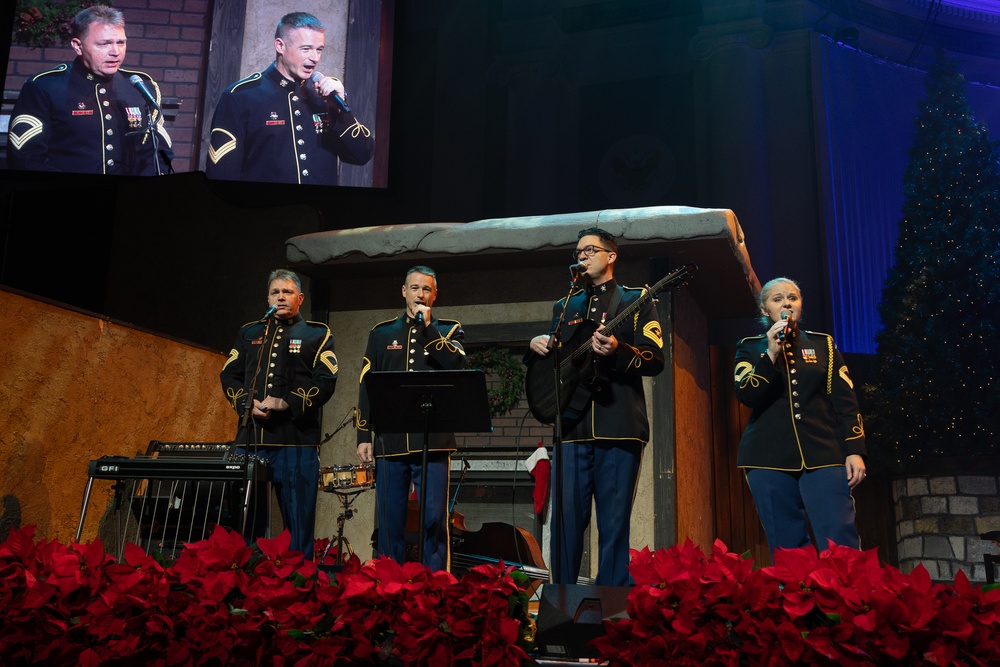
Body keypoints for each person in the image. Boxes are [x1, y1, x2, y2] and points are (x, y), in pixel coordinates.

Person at [528, 227, 665, 586]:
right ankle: (560, 606)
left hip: (618, 427)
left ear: (611, 256)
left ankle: (610, 612)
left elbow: (655, 358)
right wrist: (538, 346)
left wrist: (619, 350)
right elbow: (557, 367)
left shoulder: (636, 299)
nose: (582, 257)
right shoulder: (564, 306)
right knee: (565, 526)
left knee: (614, 525)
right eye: (578, 252)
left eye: (589, 250)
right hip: (570, 431)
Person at [734, 277, 867, 557]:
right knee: (786, 545)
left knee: (839, 537)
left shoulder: (823, 345)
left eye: (792, 298)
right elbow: (747, 395)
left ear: (800, 305)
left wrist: (855, 450)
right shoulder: (750, 347)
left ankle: (847, 598)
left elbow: (845, 402)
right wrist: (770, 353)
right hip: (766, 458)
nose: (786, 303)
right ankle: (796, 600)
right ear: (765, 310)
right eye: (778, 299)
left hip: (823, 453)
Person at [220, 269, 338, 556]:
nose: (281, 297)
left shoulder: (316, 334)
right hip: (252, 439)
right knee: (246, 526)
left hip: (295, 441)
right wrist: (247, 402)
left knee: (298, 526)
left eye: (287, 292)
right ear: (268, 298)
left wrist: (288, 403)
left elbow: (326, 380)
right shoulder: (249, 332)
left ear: (299, 298)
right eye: (275, 292)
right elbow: (228, 375)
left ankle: (298, 588)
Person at [356, 266, 466, 572]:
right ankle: (388, 587)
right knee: (390, 522)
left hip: (434, 440)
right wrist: (364, 436)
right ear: (404, 291)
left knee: (433, 520)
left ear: (435, 295)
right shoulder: (381, 334)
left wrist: (430, 329)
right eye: (414, 288)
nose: (420, 294)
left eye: (426, 289)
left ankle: (435, 585)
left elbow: (456, 366)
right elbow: (368, 386)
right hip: (390, 441)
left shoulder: (450, 329)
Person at [206, 11, 374, 185]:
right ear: (280, 46)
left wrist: (340, 111)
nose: (314, 58)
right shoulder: (241, 96)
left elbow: (361, 155)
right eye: (306, 49)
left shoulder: (325, 96)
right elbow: (222, 174)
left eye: (319, 49)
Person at [7, 6, 173, 175]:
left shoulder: (140, 87)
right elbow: (27, 158)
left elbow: (159, 153)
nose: (115, 52)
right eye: (104, 43)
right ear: (77, 46)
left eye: (121, 43)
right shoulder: (44, 87)